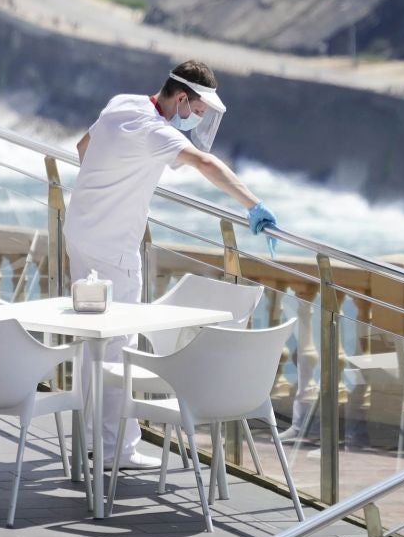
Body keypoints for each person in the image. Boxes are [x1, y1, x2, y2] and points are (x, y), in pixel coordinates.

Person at [65, 60, 276, 468]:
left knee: (91, 339)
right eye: (196, 112)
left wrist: (116, 180)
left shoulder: (122, 104)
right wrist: (255, 206)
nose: (195, 120)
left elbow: (83, 150)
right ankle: (114, 450)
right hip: (113, 247)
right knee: (115, 344)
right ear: (181, 98)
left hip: (81, 231)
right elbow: (206, 163)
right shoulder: (155, 131)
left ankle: (93, 438)